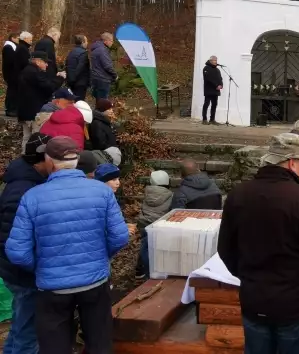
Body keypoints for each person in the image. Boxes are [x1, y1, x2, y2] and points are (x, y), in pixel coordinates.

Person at [5, 136, 129, 354]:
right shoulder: (101, 192)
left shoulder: (32, 197)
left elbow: (17, 251)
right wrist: (100, 258)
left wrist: (41, 267)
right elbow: (119, 236)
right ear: (77, 159)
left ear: (50, 162)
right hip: (94, 282)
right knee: (99, 343)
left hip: (52, 288)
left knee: (55, 346)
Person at [217, 133, 299, 354]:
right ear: (292, 162)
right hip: (295, 304)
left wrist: (248, 276)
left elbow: (225, 248)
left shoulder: (238, 195)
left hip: (254, 299)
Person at [0, 133, 51, 354]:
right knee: (28, 332)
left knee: (22, 323)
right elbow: (10, 239)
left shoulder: (30, 180)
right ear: (42, 159)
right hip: (23, 273)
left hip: (21, 270)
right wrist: (34, 268)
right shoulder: (22, 190)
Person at [17, 51, 65, 151]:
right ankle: (31, 159)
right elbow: (48, 87)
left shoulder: (27, 70)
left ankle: (24, 156)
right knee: (36, 138)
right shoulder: (34, 73)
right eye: (45, 62)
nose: (47, 64)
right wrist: (60, 78)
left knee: (26, 137)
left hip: (24, 110)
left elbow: (42, 84)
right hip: (34, 112)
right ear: (38, 61)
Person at [136, 170, 173, 279]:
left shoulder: (147, 193)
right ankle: (154, 272)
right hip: (159, 225)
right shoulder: (170, 195)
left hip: (144, 223)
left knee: (145, 246)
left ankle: (141, 270)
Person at [89, 32, 117, 99]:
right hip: (103, 79)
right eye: (111, 41)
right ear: (106, 41)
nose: (112, 43)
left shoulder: (96, 48)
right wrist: (115, 75)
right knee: (103, 102)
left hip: (96, 78)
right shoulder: (102, 50)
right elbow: (107, 66)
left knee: (99, 101)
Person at [65, 34, 90, 101]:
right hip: (80, 83)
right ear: (82, 42)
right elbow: (80, 68)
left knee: (71, 101)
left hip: (71, 81)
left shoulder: (71, 52)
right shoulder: (83, 53)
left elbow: (67, 65)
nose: (87, 43)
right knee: (79, 102)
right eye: (86, 41)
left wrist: (70, 80)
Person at [202, 55, 223, 125]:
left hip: (216, 90)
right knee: (206, 104)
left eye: (216, 60)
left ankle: (212, 119)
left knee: (214, 105)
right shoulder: (206, 68)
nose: (215, 62)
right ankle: (204, 119)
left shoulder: (217, 70)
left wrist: (220, 85)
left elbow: (220, 78)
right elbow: (209, 78)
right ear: (210, 61)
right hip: (209, 89)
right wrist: (216, 85)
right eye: (214, 60)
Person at [3, 32, 20, 116]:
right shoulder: (8, 48)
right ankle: (10, 109)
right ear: (12, 38)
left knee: (13, 91)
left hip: (12, 73)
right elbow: (10, 61)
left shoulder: (12, 47)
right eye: (18, 38)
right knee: (12, 91)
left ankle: (12, 108)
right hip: (11, 73)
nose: (19, 40)